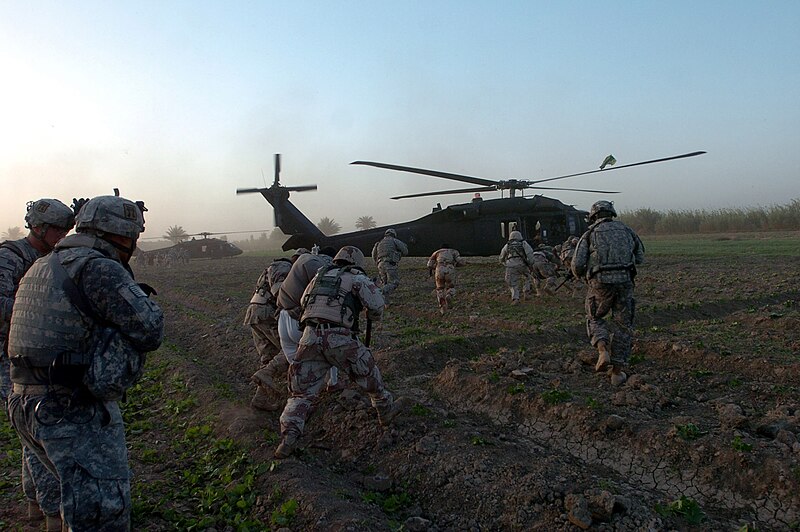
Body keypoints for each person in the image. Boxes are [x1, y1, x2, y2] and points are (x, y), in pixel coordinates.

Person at [7, 194, 164, 530]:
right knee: (101, 515)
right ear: (124, 237)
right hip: (71, 409)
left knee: (70, 496)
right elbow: (150, 328)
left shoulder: (42, 264)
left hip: (25, 402)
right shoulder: (98, 267)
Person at [275, 246, 404, 458]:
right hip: (339, 338)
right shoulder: (356, 278)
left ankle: (288, 436)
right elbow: (377, 305)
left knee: (301, 393)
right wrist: (371, 313)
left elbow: (303, 302)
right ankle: (385, 409)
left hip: (309, 337)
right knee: (368, 373)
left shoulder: (318, 277)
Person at [0, 198, 75, 529]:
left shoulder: (50, 259)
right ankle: (53, 513)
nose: (63, 236)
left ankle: (34, 503)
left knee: (30, 435)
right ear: (40, 228)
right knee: (38, 430)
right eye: (59, 230)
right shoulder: (10, 258)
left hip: (34, 359)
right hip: (9, 359)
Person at [571, 200, 644, 386]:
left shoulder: (589, 234)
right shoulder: (627, 231)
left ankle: (603, 350)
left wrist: (583, 276)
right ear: (612, 214)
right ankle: (617, 372)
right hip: (625, 283)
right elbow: (640, 256)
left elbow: (577, 264)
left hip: (600, 283)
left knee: (595, 317)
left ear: (594, 216)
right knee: (623, 325)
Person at [246, 248, 307, 410]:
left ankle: (261, 397)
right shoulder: (283, 267)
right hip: (267, 313)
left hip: (256, 312)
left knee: (269, 356)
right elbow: (280, 294)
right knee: (291, 349)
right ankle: (292, 388)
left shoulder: (273, 268)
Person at [371, 228, 408, 305]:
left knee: (384, 283)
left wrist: (378, 263)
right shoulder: (394, 241)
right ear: (394, 234)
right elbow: (405, 251)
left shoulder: (379, 243)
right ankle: (379, 291)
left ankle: (385, 304)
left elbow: (373, 255)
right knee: (394, 282)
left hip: (380, 265)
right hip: (390, 264)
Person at [426, 244, 465, 314]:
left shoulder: (436, 252)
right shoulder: (454, 252)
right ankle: (449, 295)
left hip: (439, 268)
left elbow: (429, 265)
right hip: (450, 268)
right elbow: (461, 262)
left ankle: (442, 305)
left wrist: (435, 268)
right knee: (450, 286)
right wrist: (457, 265)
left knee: (440, 288)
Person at [499, 230, 535, 304]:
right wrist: (531, 263)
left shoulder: (507, 245)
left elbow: (501, 257)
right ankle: (526, 292)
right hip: (522, 265)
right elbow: (530, 253)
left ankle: (515, 298)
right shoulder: (523, 243)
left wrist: (504, 263)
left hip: (511, 266)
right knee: (527, 277)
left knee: (511, 282)